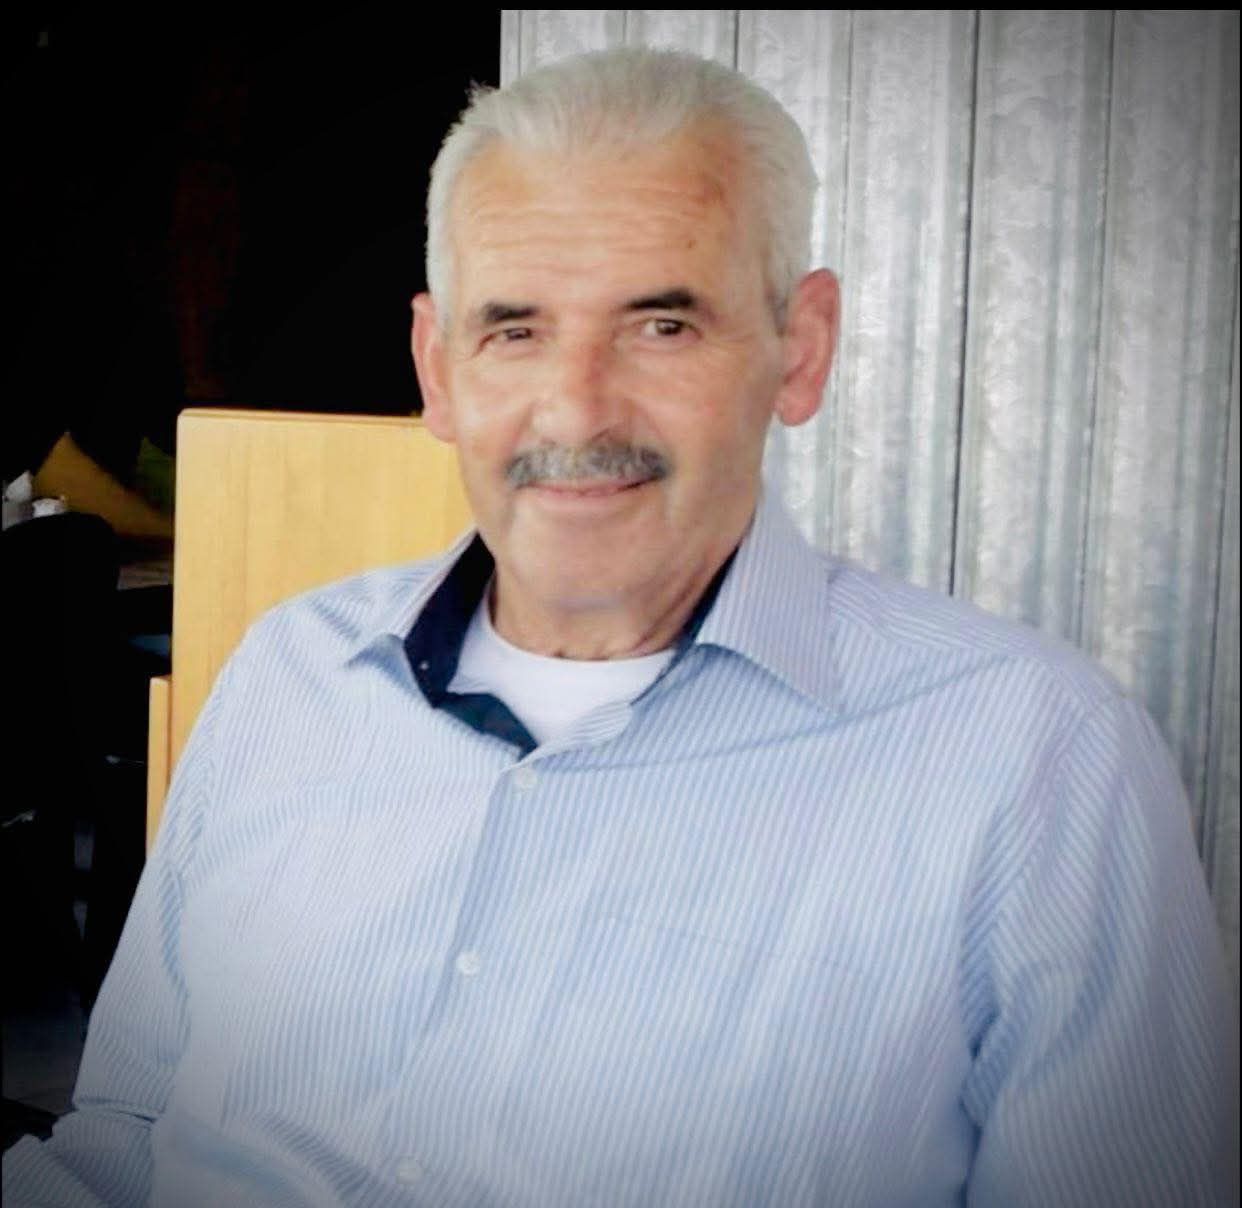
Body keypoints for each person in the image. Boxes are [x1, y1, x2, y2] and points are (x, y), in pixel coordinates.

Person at [4, 47, 1235, 1208]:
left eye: (663, 325)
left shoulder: (1039, 762)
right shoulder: (292, 670)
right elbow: (124, 1138)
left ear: (800, 352)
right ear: (438, 366)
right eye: (515, 328)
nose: (577, 410)